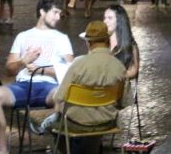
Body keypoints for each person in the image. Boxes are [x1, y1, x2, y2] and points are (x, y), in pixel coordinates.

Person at [0, 0, 75, 154]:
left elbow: (70, 71)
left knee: (63, 94)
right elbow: (9, 69)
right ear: (42, 12)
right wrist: (24, 61)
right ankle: (2, 149)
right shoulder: (23, 36)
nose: (58, 17)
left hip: (49, 87)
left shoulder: (62, 39)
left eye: (59, 14)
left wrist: (42, 70)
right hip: (23, 85)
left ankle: (55, 145)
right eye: (55, 13)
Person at [43, 21, 126, 150]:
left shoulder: (78, 64)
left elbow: (58, 97)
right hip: (107, 123)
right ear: (108, 41)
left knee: (50, 124)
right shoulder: (119, 67)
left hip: (76, 123)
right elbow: (123, 102)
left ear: (88, 43)